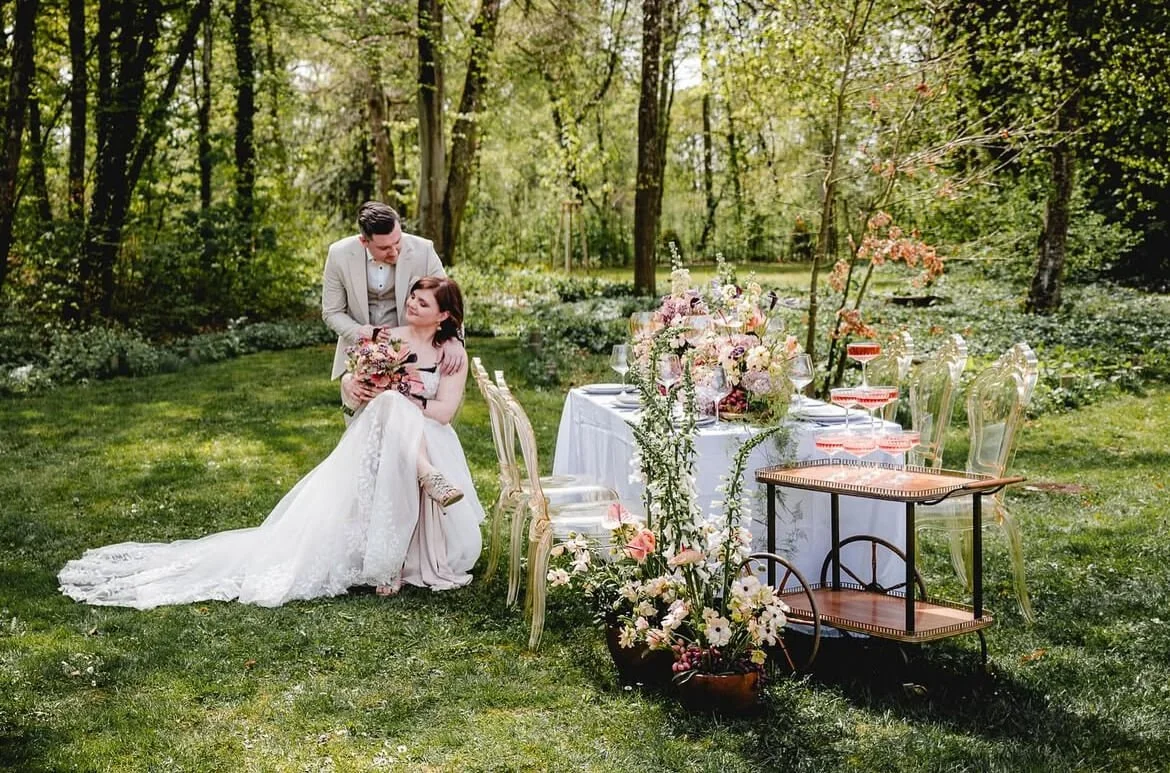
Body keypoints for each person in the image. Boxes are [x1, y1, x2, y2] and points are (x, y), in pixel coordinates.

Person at [58, 277, 484, 608]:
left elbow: (445, 412)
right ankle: (420, 487)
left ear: (444, 316)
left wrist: (400, 398)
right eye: (411, 297)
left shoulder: (451, 353)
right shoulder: (384, 339)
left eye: (422, 303)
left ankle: (399, 548)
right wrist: (357, 386)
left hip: (427, 434)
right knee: (389, 405)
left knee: (395, 405)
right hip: (378, 432)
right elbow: (352, 386)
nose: (411, 304)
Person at [322, 201, 466, 413]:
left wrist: (454, 339)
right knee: (362, 428)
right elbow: (332, 312)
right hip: (363, 362)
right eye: (384, 248)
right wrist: (360, 332)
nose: (394, 252)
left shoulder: (424, 250)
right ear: (364, 241)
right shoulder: (339, 254)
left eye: (397, 242)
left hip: (414, 360)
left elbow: (449, 301)